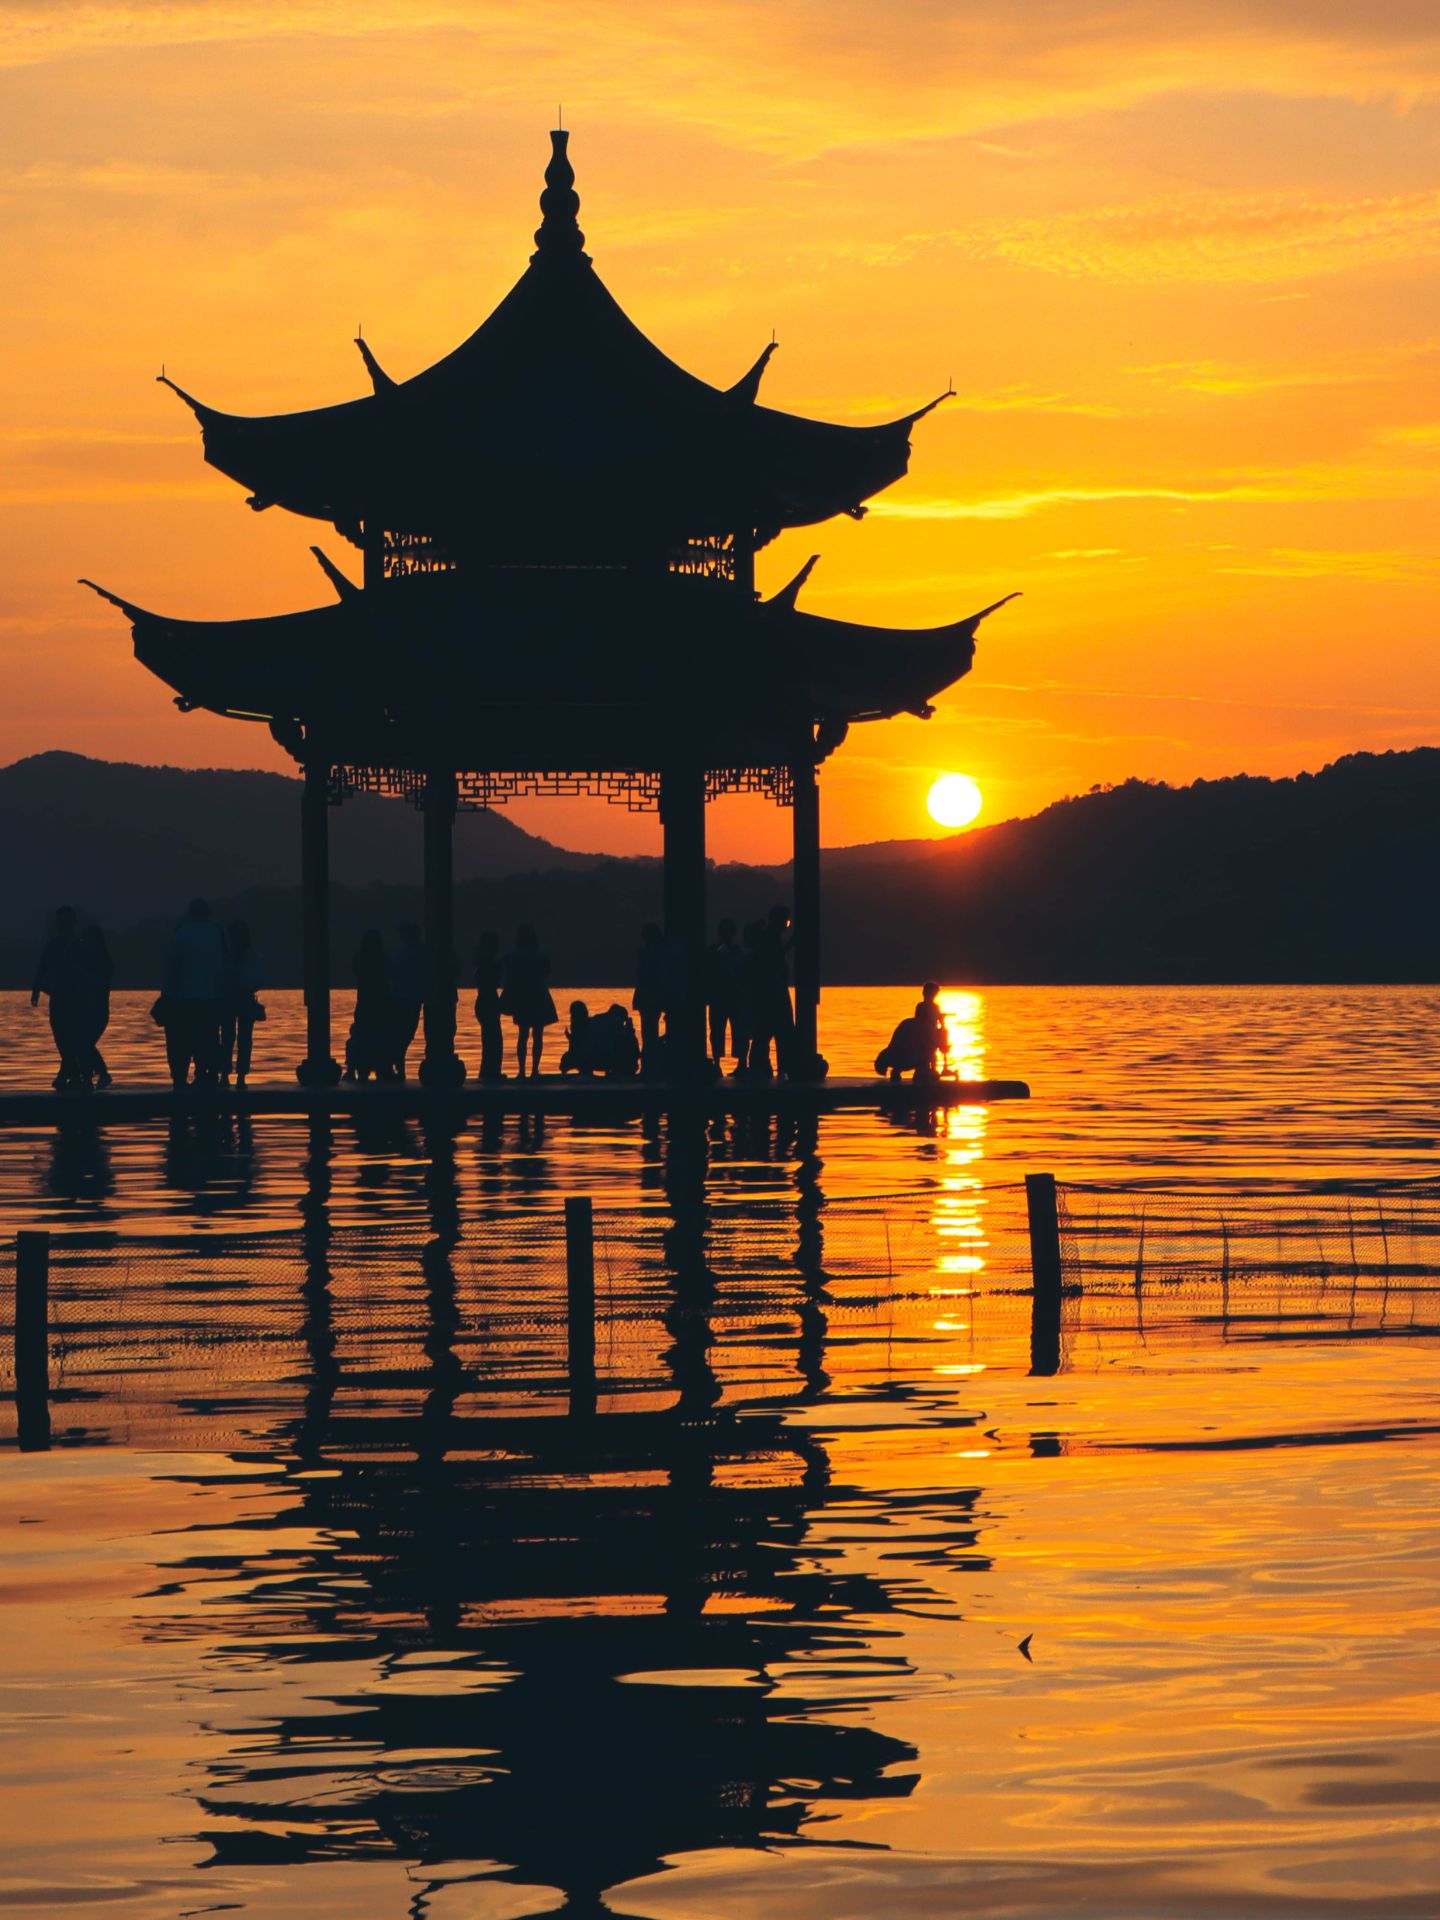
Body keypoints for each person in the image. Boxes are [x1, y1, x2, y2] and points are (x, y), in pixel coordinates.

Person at [163, 898, 228, 1088]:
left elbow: (172, 967)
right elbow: (225, 962)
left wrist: (168, 993)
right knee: (208, 1040)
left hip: (186, 997)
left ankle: (182, 1080)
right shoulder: (217, 932)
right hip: (212, 997)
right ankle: (206, 1075)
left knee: (186, 1040)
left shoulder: (182, 934)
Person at [31, 905, 85, 1090]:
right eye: (60, 921)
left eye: (65, 921)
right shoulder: (53, 944)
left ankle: (70, 1075)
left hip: (75, 999)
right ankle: (71, 1074)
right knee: (61, 1036)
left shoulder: (79, 944)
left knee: (71, 1037)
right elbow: (42, 966)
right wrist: (36, 991)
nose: (62, 924)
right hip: (58, 996)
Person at [501, 923, 557, 1078]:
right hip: (539, 996)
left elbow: (504, 968)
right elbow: (547, 974)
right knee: (538, 1035)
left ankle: (521, 1070)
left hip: (522, 997)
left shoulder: (512, 957)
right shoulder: (541, 957)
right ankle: (534, 1070)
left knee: (522, 1034)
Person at [219, 919, 264, 1087]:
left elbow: (219, 979)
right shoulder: (252, 957)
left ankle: (224, 1075)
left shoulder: (225, 958)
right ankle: (241, 1077)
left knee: (227, 1038)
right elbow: (259, 981)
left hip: (227, 1000)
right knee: (245, 1039)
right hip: (246, 1000)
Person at [344, 929, 392, 1082]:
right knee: (379, 1035)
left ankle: (357, 1068)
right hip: (379, 1002)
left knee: (361, 1035)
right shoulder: (383, 958)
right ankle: (382, 1067)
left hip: (366, 1001)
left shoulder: (361, 958)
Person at [875, 986, 949, 1083]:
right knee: (930, 1052)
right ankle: (925, 1072)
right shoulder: (927, 1028)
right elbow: (933, 1049)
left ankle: (899, 1071)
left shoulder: (907, 1023)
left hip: (895, 1059)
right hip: (910, 1058)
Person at [73, 923, 114, 1089]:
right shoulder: (86, 961)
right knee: (81, 1045)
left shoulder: (103, 962)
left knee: (84, 1044)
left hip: (97, 1011)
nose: (84, 943)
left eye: (87, 939)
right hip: (85, 1010)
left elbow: (97, 984)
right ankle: (88, 1079)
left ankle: (102, 1074)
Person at [706, 917, 745, 1072]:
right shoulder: (715, 952)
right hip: (721, 998)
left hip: (731, 998)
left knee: (738, 1031)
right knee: (717, 1031)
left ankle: (741, 1063)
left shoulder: (716, 952)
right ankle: (718, 1064)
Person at [388, 923, 425, 1080]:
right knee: (407, 1033)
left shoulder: (399, 953)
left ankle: (398, 1064)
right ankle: (399, 1064)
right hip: (413, 998)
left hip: (399, 997)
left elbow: (392, 974)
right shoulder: (421, 952)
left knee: (400, 1033)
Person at [633, 921, 666, 1075]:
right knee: (650, 1032)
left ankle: (649, 1066)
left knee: (649, 1033)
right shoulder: (659, 953)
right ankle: (651, 1065)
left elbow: (645, 977)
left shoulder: (649, 954)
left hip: (648, 998)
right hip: (653, 998)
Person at [473, 930, 504, 1081]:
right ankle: (491, 1072)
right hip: (488, 1001)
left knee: (490, 1038)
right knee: (494, 1039)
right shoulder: (489, 964)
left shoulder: (481, 963)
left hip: (484, 1001)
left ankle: (488, 1070)